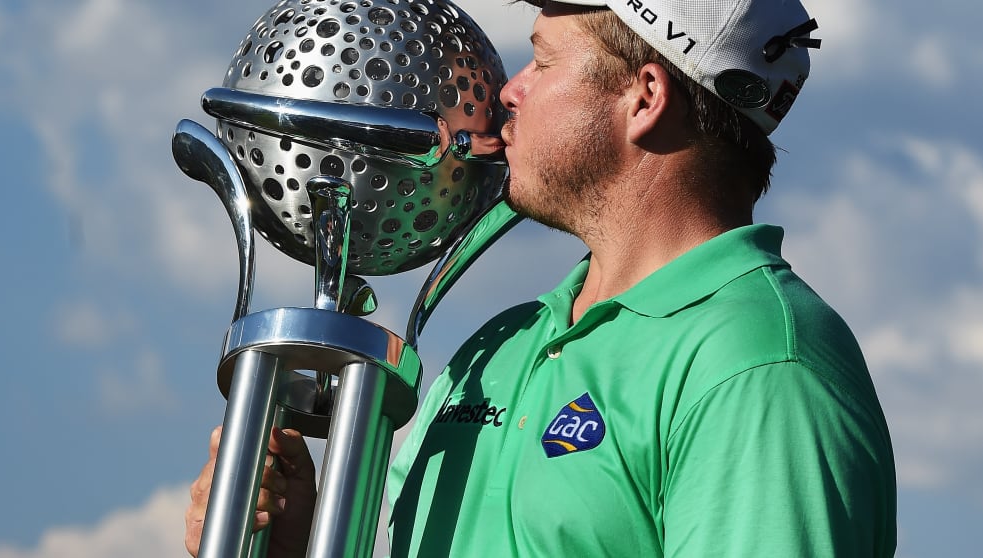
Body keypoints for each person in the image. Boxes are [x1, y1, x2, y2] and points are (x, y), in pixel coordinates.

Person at [186, 0, 897, 556]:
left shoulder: (757, 367)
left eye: (542, 62)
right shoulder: (500, 347)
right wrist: (297, 547)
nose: (509, 94)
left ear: (643, 98)